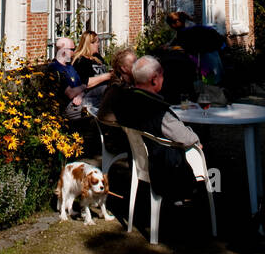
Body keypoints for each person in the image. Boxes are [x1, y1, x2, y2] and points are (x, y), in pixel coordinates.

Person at [100, 55, 200, 200]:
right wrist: (196, 140)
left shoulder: (123, 101)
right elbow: (186, 138)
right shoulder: (158, 110)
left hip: (139, 161)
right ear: (154, 79)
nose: (163, 79)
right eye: (162, 76)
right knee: (205, 153)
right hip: (164, 169)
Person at [72, 30, 113, 114]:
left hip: (102, 94)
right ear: (89, 44)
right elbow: (85, 83)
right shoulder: (81, 60)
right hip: (90, 95)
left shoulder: (97, 57)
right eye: (97, 42)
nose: (99, 45)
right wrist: (106, 76)